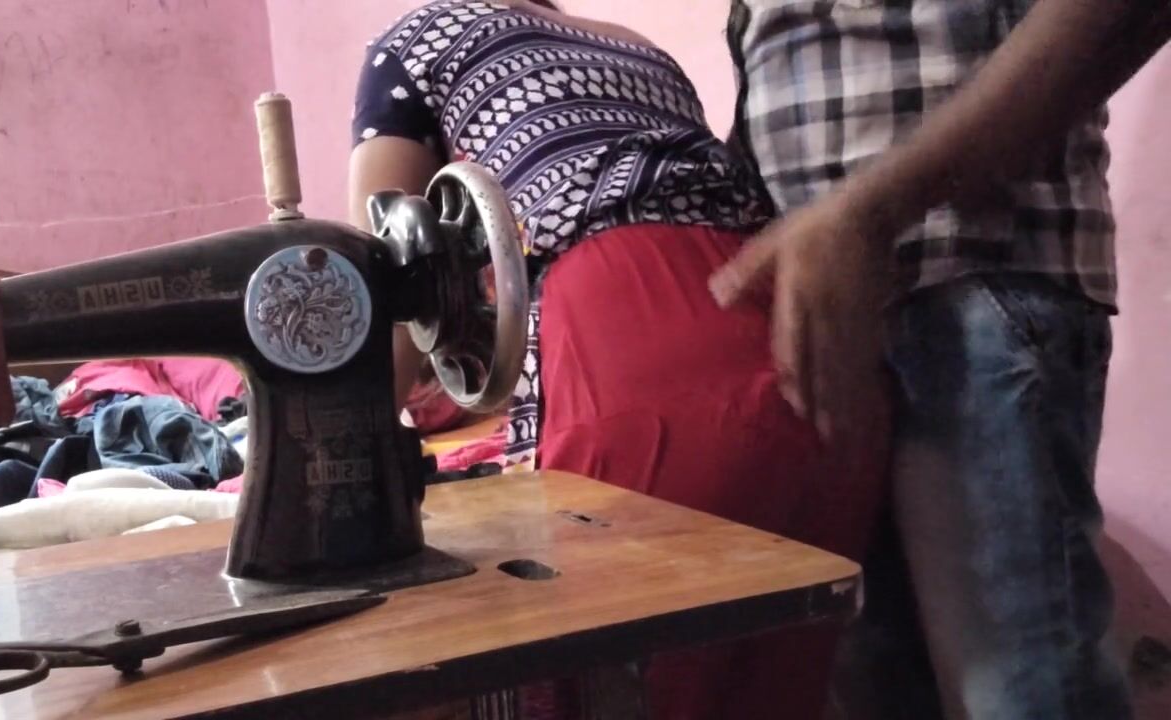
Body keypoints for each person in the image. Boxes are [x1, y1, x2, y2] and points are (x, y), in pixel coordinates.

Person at [347, 1, 888, 718]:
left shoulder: (417, 43)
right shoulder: (643, 49)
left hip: (634, 336)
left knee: (603, 686)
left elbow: (386, 289)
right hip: (802, 332)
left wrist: (338, 474)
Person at [714, 1, 1171, 718]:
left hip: (971, 274)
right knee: (880, 691)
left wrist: (869, 213)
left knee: (1019, 694)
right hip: (835, 316)